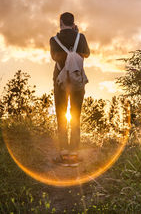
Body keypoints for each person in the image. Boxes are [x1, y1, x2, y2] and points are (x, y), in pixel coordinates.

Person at [50, 12, 90, 166]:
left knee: (61, 116)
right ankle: (74, 153)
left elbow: (55, 57)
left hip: (60, 82)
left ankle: (63, 153)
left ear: (60, 23)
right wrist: (76, 36)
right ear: (73, 23)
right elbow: (87, 54)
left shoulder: (54, 40)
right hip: (77, 81)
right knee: (75, 115)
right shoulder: (81, 37)